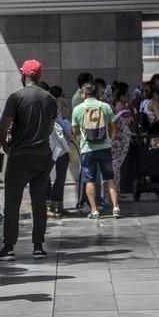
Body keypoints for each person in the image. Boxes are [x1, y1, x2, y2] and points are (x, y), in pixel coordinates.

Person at [0, 59, 56, 260]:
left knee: (12, 202)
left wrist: (5, 145)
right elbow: (51, 127)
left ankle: (9, 246)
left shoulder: (16, 97)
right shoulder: (50, 98)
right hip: (43, 156)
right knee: (39, 202)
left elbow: (2, 128)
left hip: (20, 155)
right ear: (39, 76)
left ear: (24, 75)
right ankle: (38, 246)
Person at [72, 83, 121, 219]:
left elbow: (74, 131)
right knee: (110, 178)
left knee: (90, 180)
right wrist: (109, 141)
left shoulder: (77, 109)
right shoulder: (105, 107)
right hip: (105, 148)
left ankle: (94, 210)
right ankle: (116, 207)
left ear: (84, 94)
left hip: (87, 149)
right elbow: (114, 127)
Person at [47, 85, 72, 218]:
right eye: (63, 95)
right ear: (58, 97)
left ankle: (57, 205)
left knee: (59, 177)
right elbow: (64, 128)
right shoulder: (53, 109)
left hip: (56, 147)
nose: (64, 98)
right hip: (56, 146)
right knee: (57, 177)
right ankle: (52, 205)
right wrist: (67, 117)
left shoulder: (56, 109)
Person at [110, 84, 134, 190]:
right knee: (116, 166)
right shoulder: (125, 110)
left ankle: (115, 190)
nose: (129, 96)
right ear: (122, 97)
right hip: (122, 140)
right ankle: (115, 190)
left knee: (115, 165)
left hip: (115, 140)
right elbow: (130, 125)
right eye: (127, 95)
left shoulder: (115, 108)